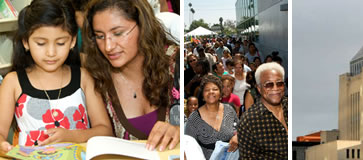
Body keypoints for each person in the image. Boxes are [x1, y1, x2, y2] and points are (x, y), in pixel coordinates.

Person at [0, 0, 112, 151]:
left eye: (60, 43)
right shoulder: (13, 82)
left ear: (72, 41)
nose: (51, 53)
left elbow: (105, 131)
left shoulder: (83, 77)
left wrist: (71, 136)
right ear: (26, 42)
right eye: (41, 43)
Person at [83, 0, 180, 151]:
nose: (108, 46)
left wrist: (180, 130)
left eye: (118, 33)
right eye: (100, 36)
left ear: (143, 26)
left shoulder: (176, 63)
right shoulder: (96, 80)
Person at [237, 63, 287, 159]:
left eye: (279, 83)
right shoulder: (248, 121)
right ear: (259, 88)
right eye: (269, 85)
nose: (275, 88)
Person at [185, 75, 239, 159]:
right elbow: (187, 147)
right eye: (207, 90)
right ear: (202, 95)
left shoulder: (229, 110)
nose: (211, 92)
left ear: (220, 93)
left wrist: (237, 136)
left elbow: (241, 130)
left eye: (215, 89)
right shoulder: (194, 118)